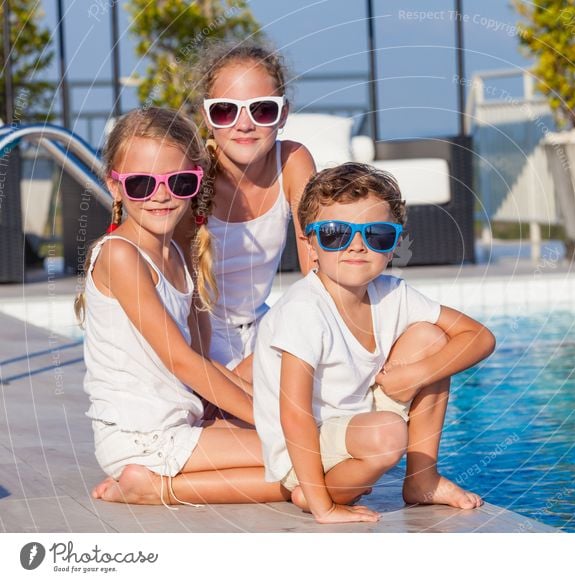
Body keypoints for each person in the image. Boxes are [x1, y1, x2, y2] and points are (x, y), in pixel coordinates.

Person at [253, 163, 496, 524]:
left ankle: (422, 479)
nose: (356, 245)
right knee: (387, 432)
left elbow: (479, 337)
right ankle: (318, 490)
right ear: (309, 244)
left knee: (432, 339)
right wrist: (323, 506)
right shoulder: (305, 309)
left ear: (395, 243)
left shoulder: (393, 293)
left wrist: (416, 373)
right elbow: (295, 414)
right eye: (335, 233)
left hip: (363, 422)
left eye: (376, 235)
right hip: (308, 448)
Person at [75, 107, 288, 506]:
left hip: (177, 423)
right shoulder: (121, 255)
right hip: (139, 436)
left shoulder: (176, 253)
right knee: (298, 462)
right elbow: (183, 362)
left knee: (307, 452)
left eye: (178, 182)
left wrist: (268, 407)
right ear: (116, 187)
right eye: (140, 184)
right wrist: (273, 421)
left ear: (196, 183)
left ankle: (158, 479)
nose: (160, 195)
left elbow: (202, 359)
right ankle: (153, 488)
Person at [194, 39, 315, 379]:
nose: (243, 124)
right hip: (199, 339)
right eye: (225, 110)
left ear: (283, 114)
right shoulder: (193, 175)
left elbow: (317, 273)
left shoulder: (292, 161)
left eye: (262, 109)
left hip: (265, 331)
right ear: (207, 116)